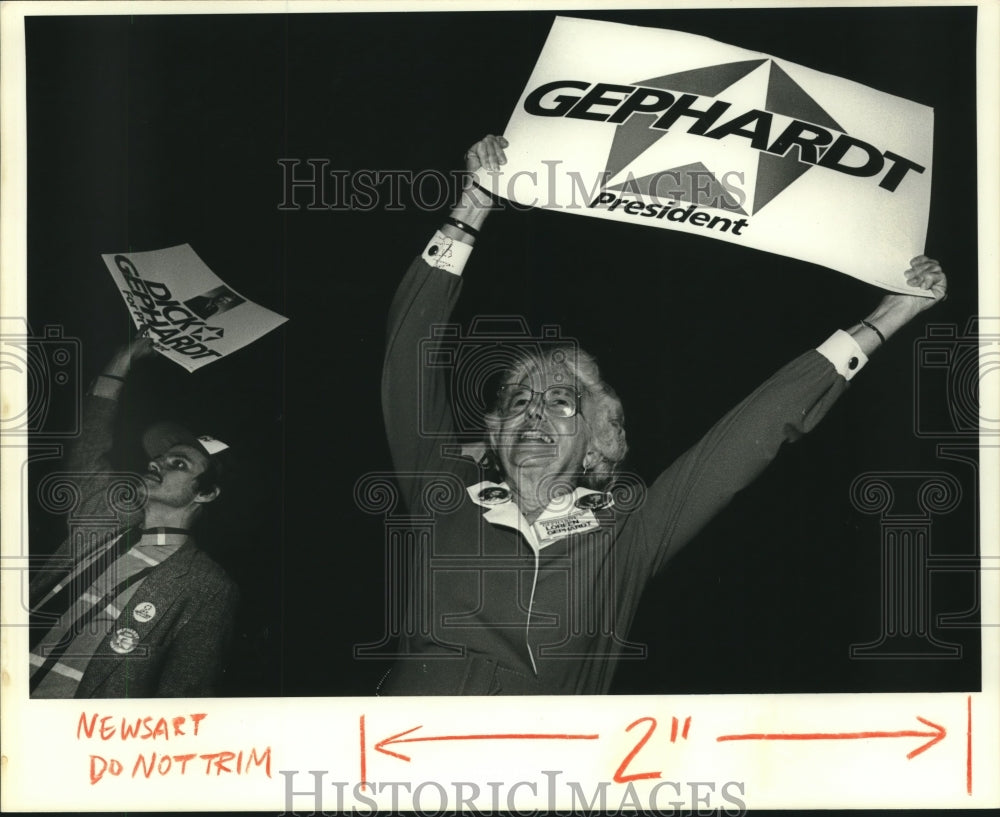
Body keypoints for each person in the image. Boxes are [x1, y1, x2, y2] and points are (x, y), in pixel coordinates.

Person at [379, 134, 948, 696]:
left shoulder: (626, 534)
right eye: (518, 402)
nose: (533, 413)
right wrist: (474, 203)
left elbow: (747, 437)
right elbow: (408, 354)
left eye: (560, 402)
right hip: (403, 760)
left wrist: (889, 316)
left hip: (547, 777)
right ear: (497, 434)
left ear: (597, 445)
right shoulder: (443, 488)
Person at [29, 337, 239, 697]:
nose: (156, 462)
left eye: (179, 464)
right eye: (160, 457)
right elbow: (89, 444)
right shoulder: (104, 517)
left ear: (206, 492)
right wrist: (122, 359)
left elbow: (181, 698)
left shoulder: (208, 587)